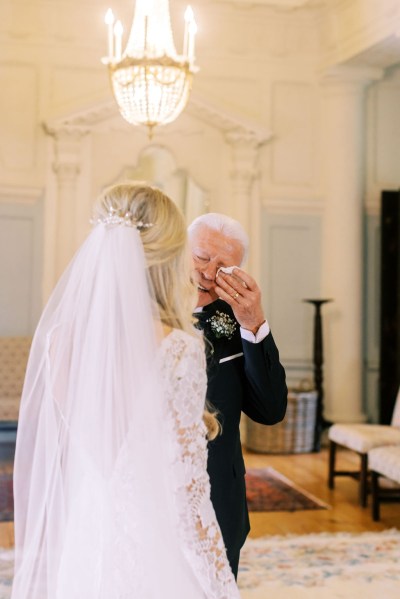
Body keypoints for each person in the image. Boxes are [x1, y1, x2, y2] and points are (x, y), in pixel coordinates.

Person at [11, 184, 240, 599]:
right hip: (151, 544)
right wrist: (221, 584)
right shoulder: (177, 349)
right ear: (168, 258)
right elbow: (189, 493)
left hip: (86, 533)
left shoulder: (58, 340)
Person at [189, 212, 288, 577]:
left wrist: (254, 324)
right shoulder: (142, 312)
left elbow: (270, 409)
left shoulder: (235, 319)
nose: (208, 273)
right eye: (201, 257)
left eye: (223, 267)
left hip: (219, 494)